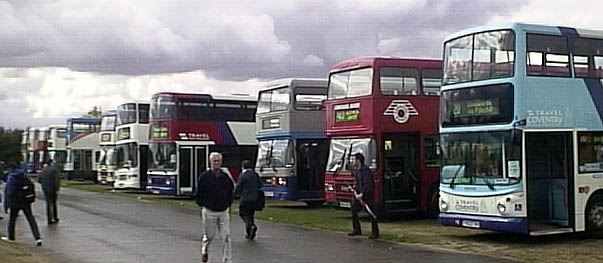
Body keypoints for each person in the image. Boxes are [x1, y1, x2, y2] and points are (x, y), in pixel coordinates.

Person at [194, 152, 234, 263]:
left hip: (223, 211)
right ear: (210, 162)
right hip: (209, 211)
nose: (216, 163)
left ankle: (227, 259)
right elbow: (198, 193)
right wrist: (203, 204)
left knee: (226, 236)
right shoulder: (204, 177)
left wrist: (228, 204)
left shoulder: (225, 177)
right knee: (209, 236)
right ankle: (205, 250)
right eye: (214, 161)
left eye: (218, 161)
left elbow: (231, 191)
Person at [1, 162, 42, 246]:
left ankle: (11, 237)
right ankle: (37, 237)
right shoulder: (23, 175)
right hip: (26, 201)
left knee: (12, 220)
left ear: (9, 169)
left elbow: (9, 192)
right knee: (30, 219)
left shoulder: (11, 177)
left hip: (15, 201)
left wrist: (6, 205)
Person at [348, 153, 379, 239]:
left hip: (367, 195)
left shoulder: (365, 170)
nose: (352, 161)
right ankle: (356, 229)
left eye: (353, 159)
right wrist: (354, 188)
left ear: (358, 160)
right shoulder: (356, 170)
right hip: (358, 194)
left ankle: (375, 232)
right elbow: (358, 182)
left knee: (370, 212)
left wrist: (362, 193)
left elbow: (368, 183)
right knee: (353, 209)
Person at [233, 160, 263, 240]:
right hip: (254, 199)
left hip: (245, 198)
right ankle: (249, 233)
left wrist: (233, 195)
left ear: (243, 166)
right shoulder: (255, 175)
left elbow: (238, 187)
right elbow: (260, 185)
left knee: (243, 214)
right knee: (250, 215)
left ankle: (251, 226)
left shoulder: (243, 176)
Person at [39, 160, 60, 224]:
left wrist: (44, 184)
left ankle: (49, 219)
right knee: (53, 203)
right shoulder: (54, 170)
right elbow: (56, 180)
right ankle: (55, 217)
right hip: (53, 188)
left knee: (48, 204)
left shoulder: (43, 170)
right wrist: (57, 189)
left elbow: (39, 179)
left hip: (45, 188)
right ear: (51, 163)